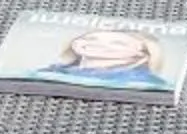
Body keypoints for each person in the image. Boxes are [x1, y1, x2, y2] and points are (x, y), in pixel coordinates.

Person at [24, 27, 173, 93]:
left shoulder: (141, 81)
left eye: (117, 43)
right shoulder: (54, 70)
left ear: (142, 55)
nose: (97, 44)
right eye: (91, 38)